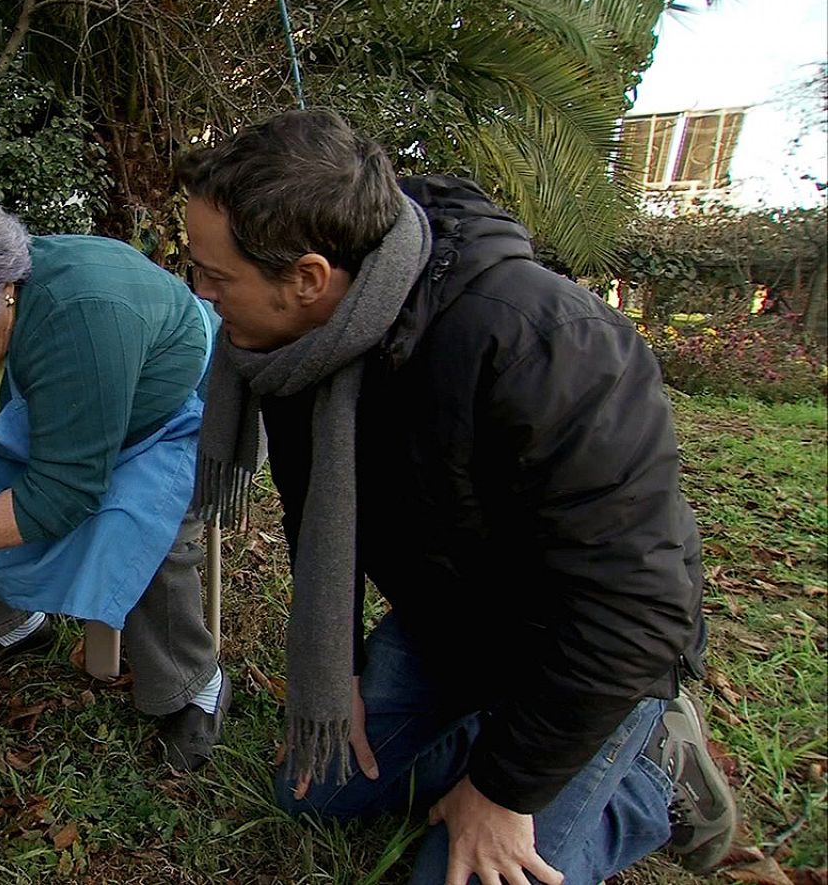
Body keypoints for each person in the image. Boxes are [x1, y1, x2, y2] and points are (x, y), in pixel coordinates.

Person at [178, 110, 738, 883]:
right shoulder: (288, 348)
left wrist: (504, 791)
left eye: (215, 276)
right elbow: (315, 510)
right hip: (450, 626)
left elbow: (636, 608)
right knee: (316, 791)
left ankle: (647, 771)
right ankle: (507, 744)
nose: (202, 295)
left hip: (577, 650)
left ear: (308, 277)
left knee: (467, 872)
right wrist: (335, 668)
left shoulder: (545, 342)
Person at [0, 185, 229, 770]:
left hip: (169, 418)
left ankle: (191, 687)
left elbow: (63, 494)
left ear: (4, 290)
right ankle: (12, 624)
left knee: (139, 527)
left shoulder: (81, 312)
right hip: (63, 423)